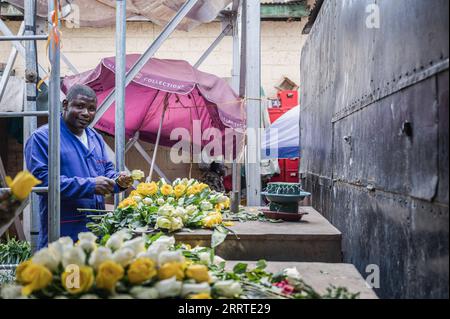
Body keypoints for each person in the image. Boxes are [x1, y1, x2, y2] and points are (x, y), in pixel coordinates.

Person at [25, 84, 133, 249]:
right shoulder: (43, 138)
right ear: (66, 105)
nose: (85, 113)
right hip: (63, 233)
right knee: (67, 275)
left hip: (95, 233)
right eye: (80, 106)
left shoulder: (95, 137)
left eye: (91, 109)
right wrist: (90, 185)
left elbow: (106, 170)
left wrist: (118, 180)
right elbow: (41, 182)